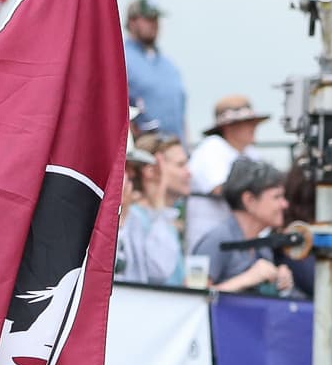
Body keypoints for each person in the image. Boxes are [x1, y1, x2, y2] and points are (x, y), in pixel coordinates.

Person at [188, 158, 299, 295]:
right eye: (277, 197)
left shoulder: (262, 247)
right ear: (249, 200)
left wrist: (279, 281)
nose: (285, 204)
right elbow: (191, 297)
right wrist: (247, 279)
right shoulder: (215, 241)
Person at [116, 134, 190, 286]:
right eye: (180, 165)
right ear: (150, 171)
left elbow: (161, 271)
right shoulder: (135, 216)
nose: (189, 172)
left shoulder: (144, 216)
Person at [121, 0, 185, 140]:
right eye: (148, 19)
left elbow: (181, 115)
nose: (154, 24)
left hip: (175, 147)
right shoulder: (121, 58)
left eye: (156, 19)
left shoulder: (169, 65)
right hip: (143, 147)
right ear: (132, 22)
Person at [186, 95, 263, 196]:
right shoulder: (212, 147)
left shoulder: (249, 151)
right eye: (247, 122)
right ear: (228, 126)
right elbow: (221, 189)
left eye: (253, 122)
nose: (254, 126)